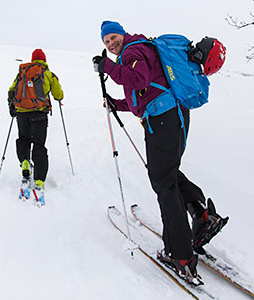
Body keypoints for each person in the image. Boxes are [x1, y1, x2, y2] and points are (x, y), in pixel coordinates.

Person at [92, 21, 227, 283]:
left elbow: (138, 79)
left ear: (122, 33)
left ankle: (181, 256)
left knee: (164, 183)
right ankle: (202, 214)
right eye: (106, 40)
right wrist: (117, 104)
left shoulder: (132, 51)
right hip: (173, 117)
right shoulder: (139, 50)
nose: (111, 43)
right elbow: (144, 92)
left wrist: (106, 66)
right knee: (167, 174)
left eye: (113, 37)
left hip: (163, 121)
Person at [8, 49, 64, 198]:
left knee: (24, 139)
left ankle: (25, 162)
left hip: (22, 113)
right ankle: (39, 179)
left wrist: (12, 106)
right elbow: (58, 94)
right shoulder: (47, 73)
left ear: (32, 59)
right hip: (39, 113)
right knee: (39, 144)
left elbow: (12, 90)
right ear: (44, 59)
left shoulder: (23, 72)